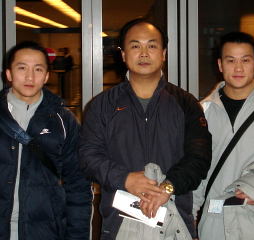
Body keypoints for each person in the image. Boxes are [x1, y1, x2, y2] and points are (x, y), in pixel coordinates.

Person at [79, 18, 212, 240]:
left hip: (174, 221)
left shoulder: (186, 103)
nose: (143, 53)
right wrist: (125, 179)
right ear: (123, 54)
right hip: (120, 223)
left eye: (151, 45)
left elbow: (199, 157)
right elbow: (88, 156)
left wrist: (167, 188)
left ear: (164, 53)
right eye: (135, 46)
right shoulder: (102, 105)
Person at [0, 41, 92, 240]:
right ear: (8, 74)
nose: (30, 76)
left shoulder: (63, 120)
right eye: (22, 68)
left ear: (47, 76)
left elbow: (78, 186)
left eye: (38, 69)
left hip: (44, 231)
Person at [193, 32, 254, 240]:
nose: (238, 68)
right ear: (220, 65)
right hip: (212, 225)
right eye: (231, 60)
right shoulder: (201, 112)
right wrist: (189, 217)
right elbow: (196, 170)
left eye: (246, 60)